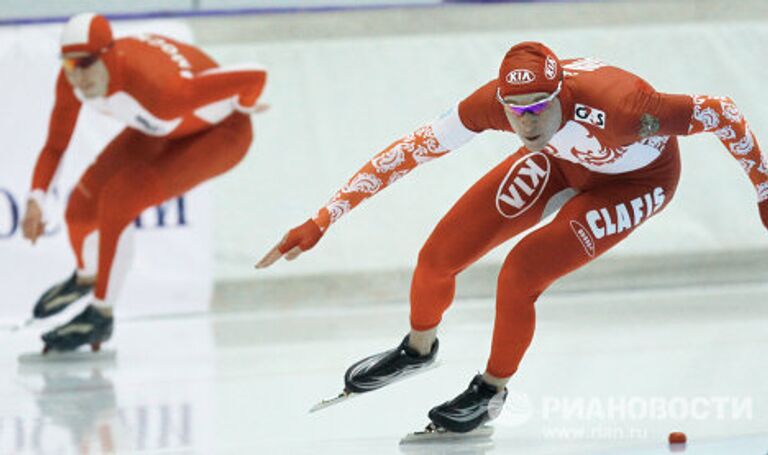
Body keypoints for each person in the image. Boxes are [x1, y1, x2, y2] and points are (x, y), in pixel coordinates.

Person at [257, 41, 768, 433]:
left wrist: (763, 189)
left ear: (562, 93)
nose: (525, 122)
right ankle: (418, 348)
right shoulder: (495, 108)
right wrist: (324, 218)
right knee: (438, 256)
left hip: (638, 180)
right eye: (514, 109)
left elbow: (721, 112)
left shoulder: (627, 110)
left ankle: (491, 389)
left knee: (520, 271)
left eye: (538, 107)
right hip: (561, 161)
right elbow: (408, 153)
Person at [22, 13, 267, 353]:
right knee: (80, 206)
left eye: (86, 63)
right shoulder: (73, 80)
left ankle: (100, 313)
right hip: (159, 128)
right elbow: (55, 145)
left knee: (121, 198)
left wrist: (245, 104)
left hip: (221, 136)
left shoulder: (162, 89)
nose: (77, 76)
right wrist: (36, 197)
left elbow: (254, 75)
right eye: (68, 65)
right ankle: (87, 275)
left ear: (108, 55)